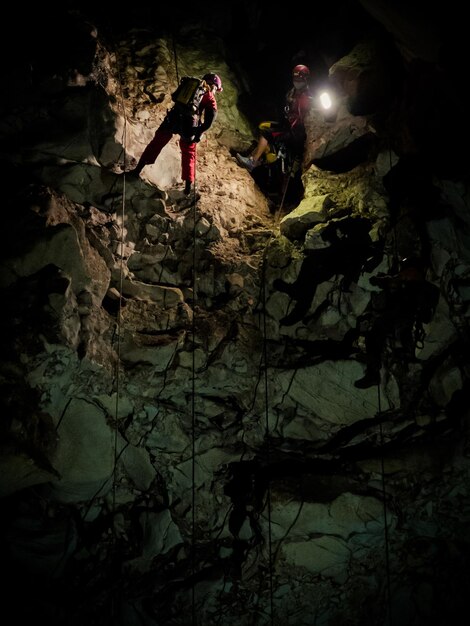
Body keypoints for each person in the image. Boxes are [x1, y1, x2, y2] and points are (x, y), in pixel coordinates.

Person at [128, 72, 223, 196]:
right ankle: (188, 189)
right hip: (190, 123)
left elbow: (174, 96)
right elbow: (209, 122)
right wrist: (198, 133)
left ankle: (137, 171)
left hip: (173, 117)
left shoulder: (191, 84)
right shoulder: (210, 96)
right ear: (215, 86)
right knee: (189, 152)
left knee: (156, 143)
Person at [354, 257, 440, 389]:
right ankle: (373, 373)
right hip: (392, 319)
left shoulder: (425, 288)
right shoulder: (399, 283)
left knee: (401, 335)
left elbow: (427, 313)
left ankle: (407, 367)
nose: (404, 275)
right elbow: (377, 281)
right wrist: (389, 281)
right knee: (373, 335)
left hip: (407, 320)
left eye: (407, 272)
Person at [235, 64, 312, 174]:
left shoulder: (306, 96)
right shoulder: (293, 92)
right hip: (286, 125)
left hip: (294, 132)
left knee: (266, 133)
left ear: (305, 79)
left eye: (299, 78)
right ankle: (259, 158)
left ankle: (253, 162)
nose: (296, 81)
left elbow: (301, 118)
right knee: (264, 125)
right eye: (295, 78)